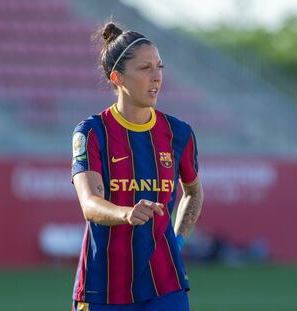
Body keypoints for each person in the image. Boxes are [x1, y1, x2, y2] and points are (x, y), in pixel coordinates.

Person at [71, 21, 204, 311]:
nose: (156, 77)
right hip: (102, 286)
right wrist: (127, 213)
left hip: (165, 284)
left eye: (159, 67)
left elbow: (193, 192)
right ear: (117, 77)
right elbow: (89, 204)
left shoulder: (179, 133)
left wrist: (178, 241)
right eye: (145, 69)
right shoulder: (92, 132)